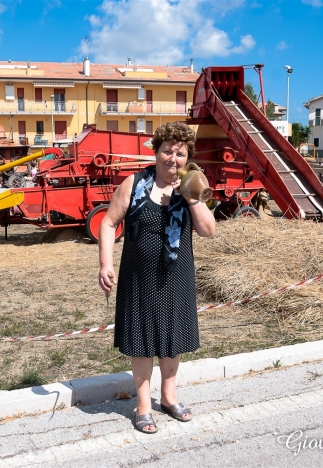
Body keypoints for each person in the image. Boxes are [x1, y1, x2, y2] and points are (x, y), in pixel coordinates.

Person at [98, 122, 215, 434]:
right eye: (167, 150)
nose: (172, 158)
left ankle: (168, 397)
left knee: (171, 338)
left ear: (186, 158)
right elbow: (109, 224)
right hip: (139, 277)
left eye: (179, 153)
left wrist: (191, 197)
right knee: (141, 341)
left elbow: (208, 230)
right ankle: (143, 405)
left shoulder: (193, 185)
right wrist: (105, 263)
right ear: (156, 151)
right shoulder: (134, 184)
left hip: (177, 277)